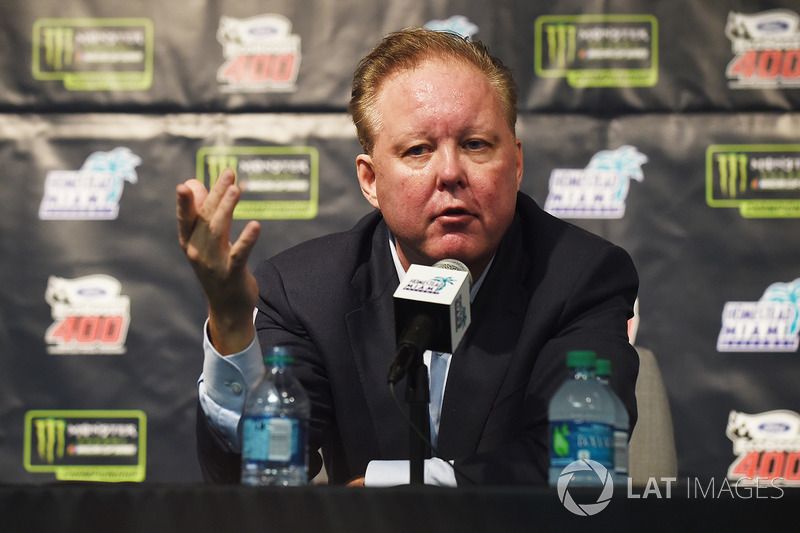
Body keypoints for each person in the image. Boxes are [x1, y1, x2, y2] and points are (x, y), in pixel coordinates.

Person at [176, 28, 639, 486]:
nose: (451, 173)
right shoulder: (306, 291)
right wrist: (233, 324)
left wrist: (389, 492)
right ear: (370, 180)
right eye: (418, 150)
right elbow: (253, 477)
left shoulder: (582, 277)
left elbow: (578, 469)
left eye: (475, 144)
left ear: (516, 164)